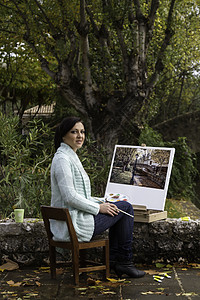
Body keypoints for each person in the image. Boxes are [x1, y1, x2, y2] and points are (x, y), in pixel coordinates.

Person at [50, 116, 145, 278]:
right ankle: (123, 262)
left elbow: (79, 195)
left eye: (82, 132)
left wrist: (102, 201)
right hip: (73, 224)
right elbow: (69, 197)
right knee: (126, 208)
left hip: (74, 218)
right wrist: (98, 208)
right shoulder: (62, 159)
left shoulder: (70, 156)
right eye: (74, 132)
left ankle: (116, 261)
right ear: (63, 135)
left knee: (117, 207)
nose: (80, 136)